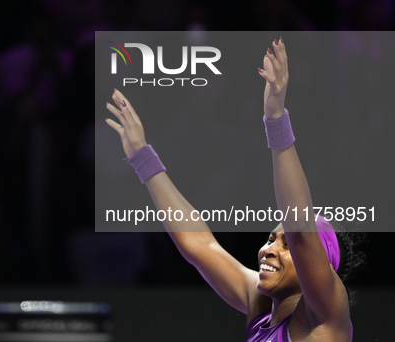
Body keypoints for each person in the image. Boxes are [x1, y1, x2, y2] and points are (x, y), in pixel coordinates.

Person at [106, 38, 363, 341]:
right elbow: (201, 247)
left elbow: (299, 226)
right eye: (271, 239)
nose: (269, 250)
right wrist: (142, 158)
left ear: (320, 266)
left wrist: (276, 120)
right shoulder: (260, 307)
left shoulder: (327, 314)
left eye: (286, 245)